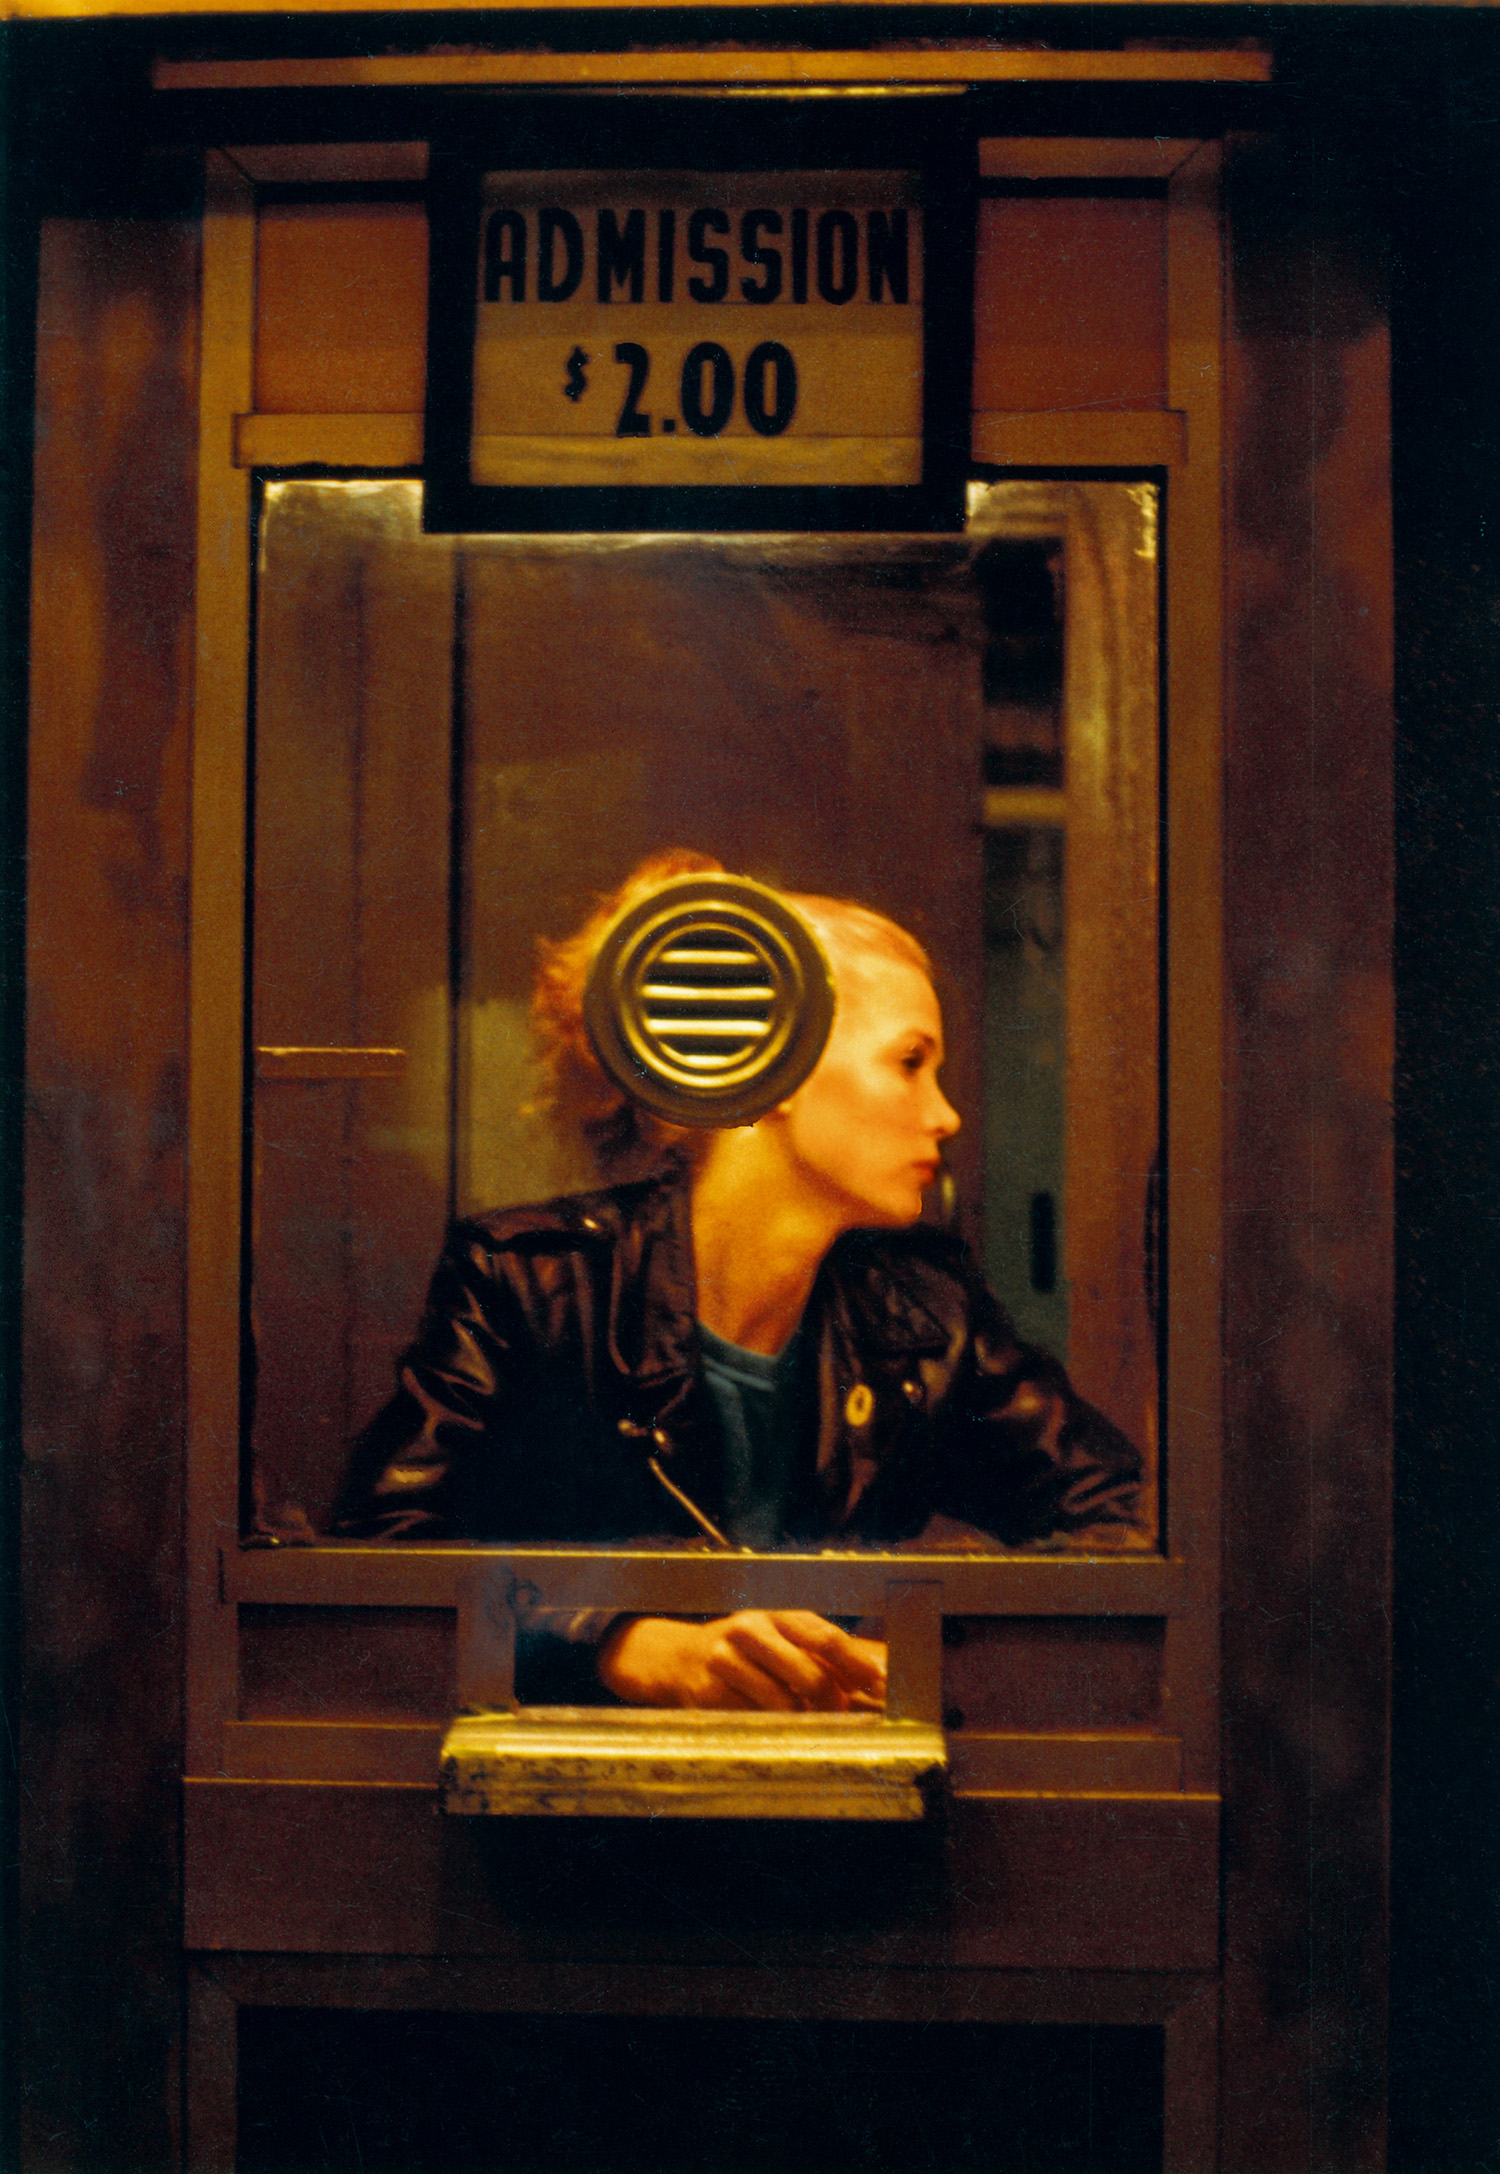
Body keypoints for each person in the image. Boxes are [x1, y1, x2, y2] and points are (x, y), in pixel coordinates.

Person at [334, 851, 1142, 1711]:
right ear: (773, 1061)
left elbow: (1123, 1529)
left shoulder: (928, 1311)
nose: (944, 1114)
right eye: (910, 1063)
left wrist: (905, 1637)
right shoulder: (528, 1283)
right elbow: (379, 1567)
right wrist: (619, 1642)